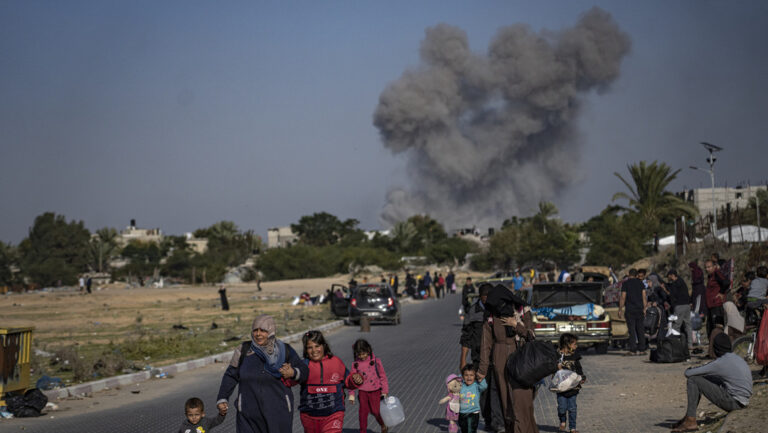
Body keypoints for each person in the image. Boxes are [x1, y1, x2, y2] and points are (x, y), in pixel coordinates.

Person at [216, 315, 309, 433]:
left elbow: (304, 371)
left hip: (278, 413)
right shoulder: (243, 350)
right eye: (255, 330)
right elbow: (231, 375)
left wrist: (293, 372)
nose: (258, 334)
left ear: (271, 331)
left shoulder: (284, 350)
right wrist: (222, 398)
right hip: (248, 415)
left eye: (263, 330)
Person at [477, 286, 538, 433]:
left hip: (521, 358)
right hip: (500, 358)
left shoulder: (521, 310)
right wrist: (482, 370)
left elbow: (531, 336)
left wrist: (516, 325)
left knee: (522, 399)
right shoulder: (491, 316)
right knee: (506, 401)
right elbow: (486, 345)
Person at [671, 333, 752, 432]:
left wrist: (692, 369)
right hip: (744, 401)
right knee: (707, 378)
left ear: (716, 349)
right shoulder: (737, 358)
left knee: (693, 380)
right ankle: (689, 416)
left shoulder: (720, 362)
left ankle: (690, 420)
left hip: (734, 403)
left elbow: (688, 373)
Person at [287, 330, 363, 433]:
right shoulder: (304, 365)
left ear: (324, 346)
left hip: (334, 415)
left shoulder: (336, 362)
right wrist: (289, 373)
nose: (314, 351)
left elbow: (347, 381)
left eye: (317, 346)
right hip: (309, 417)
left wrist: (355, 380)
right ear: (306, 349)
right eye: (310, 347)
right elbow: (290, 382)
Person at [459, 284, 503, 432]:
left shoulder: (497, 309)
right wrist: (463, 359)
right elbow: (466, 336)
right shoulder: (473, 312)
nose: (486, 302)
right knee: (483, 390)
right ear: (480, 297)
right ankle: (489, 420)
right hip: (479, 358)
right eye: (484, 299)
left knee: (496, 389)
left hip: (496, 356)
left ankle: (498, 421)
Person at [349, 339, 389, 433]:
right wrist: (351, 394)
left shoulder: (376, 362)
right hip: (362, 392)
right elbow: (352, 381)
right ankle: (362, 431)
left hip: (375, 391)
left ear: (368, 350)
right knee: (362, 414)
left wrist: (385, 391)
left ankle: (383, 424)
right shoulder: (355, 364)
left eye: (364, 353)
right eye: (359, 354)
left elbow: (383, 377)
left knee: (375, 411)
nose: (362, 356)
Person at [555, 333, 585, 433]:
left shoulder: (575, 356)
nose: (576, 346)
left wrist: (582, 377)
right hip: (561, 388)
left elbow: (579, 368)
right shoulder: (558, 356)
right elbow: (552, 369)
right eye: (574, 344)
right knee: (562, 408)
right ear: (566, 344)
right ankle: (562, 421)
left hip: (573, 387)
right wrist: (557, 368)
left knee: (572, 408)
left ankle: (573, 428)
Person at [619, 268, 647, 355]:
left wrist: (620, 309)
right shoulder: (641, 283)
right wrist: (645, 308)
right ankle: (642, 349)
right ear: (636, 275)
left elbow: (623, 297)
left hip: (630, 309)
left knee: (631, 330)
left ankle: (633, 349)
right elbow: (644, 296)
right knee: (640, 329)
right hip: (639, 309)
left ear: (628, 274)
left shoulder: (626, 284)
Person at [664, 270, 692, 348]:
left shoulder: (675, 284)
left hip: (679, 306)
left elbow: (672, 295)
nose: (668, 278)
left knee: (676, 326)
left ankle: (677, 345)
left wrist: (665, 289)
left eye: (669, 276)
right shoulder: (682, 281)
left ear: (672, 275)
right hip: (687, 305)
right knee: (688, 325)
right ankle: (690, 344)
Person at [458, 364, 488, 433]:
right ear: (463, 376)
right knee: (464, 429)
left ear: (475, 376)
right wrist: (459, 378)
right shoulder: (461, 385)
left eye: (471, 375)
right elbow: (454, 383)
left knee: (471, 429)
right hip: (462, 412)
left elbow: (484, 386)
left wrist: (480, 379)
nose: (469, 377)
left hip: (473, 412)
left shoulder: (476, 385)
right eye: (466, 375)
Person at [704, 260, 728, 342]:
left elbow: (726, 282)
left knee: (717, 328)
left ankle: (720, 347)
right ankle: (712, 351)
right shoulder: (710, 276)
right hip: (711, 305)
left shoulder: (717, 273)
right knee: (710, 328)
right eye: (706, 267)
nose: (707, 269)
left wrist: (721, 293)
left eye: (709, 267)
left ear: (714, 266)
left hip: (717, 305)